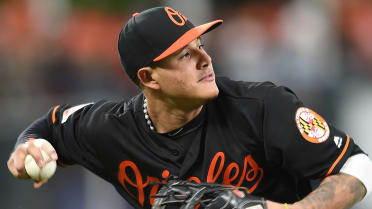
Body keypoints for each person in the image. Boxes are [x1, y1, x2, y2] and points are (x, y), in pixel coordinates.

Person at [7, 6, 372, 209]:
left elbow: (360, 166)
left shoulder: (261, 106)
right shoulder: (111, 128)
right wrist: (28, 148)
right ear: (149, 78)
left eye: (201, 44)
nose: (204, 58)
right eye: (185, 54)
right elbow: (51, 126)